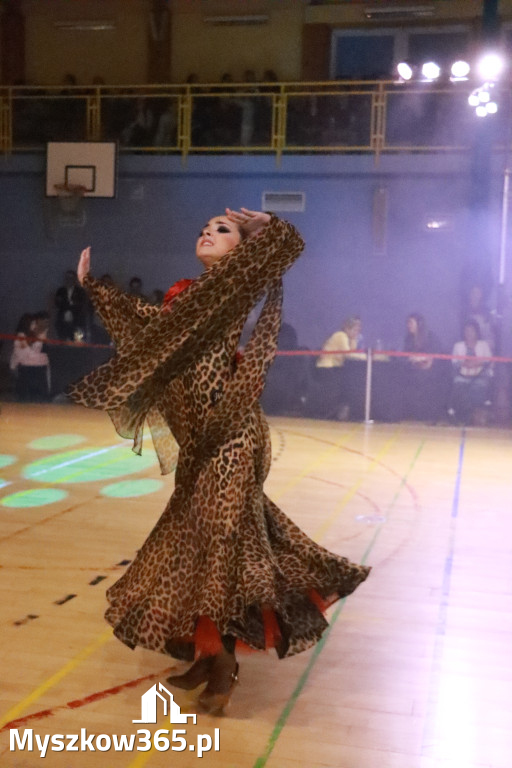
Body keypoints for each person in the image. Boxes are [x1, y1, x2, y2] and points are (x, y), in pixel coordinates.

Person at [68, 208, 370, 715]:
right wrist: (93, 287)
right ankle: (208, 655)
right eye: (206, 227)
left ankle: (226, 661)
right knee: (195, 543)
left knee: (222, 548)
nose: (208, 231)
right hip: (200, 444)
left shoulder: (234, 283)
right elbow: (145, 325)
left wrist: (267, 226)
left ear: (240, 250)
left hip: (231, 437)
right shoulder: (184, 298)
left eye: (222, 229)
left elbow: (285, 249)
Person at [401, 313, 447, 422]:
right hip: (413, 370)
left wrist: (420, 360)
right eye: (408, 323)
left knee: (424, 379)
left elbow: (432, 359)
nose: (408, 325)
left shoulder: (430, 337)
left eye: (411, 322)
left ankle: (428, 415)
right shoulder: (409, 339)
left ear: (419, 324)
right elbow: (407, 357)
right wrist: (416, 361)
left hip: (432, 372)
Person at [448, 320, 493, 425]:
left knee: (479, 387)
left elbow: (489, 360)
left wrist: (477, 363)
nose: (469, 333)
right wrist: (464, 363)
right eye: (466, 330)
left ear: (477, 332)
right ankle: (460, 416)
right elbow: (454, 362)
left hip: (480, 375)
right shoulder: (458, 346)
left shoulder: (483, 345)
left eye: (471, 331)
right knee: (458, 385)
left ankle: (477, 416)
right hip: (462, 375)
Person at [10, 312, 51, 402]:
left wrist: (41, 339)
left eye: (35, 323)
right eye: (32, 323)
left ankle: (41, 396)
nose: (35, 325)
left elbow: (42, 354)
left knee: (42, 367)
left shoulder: (34, 335)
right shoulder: (20, 336)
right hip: (22, 366)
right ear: (26, 324)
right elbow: (27, 354)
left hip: (35, 366)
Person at [54, 269, 88, 341]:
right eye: (67, 278)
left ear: (75, 279)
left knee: (78, 342)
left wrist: (69, 305)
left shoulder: (80, 291)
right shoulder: (61, 291)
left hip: (77, 322)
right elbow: (57, 303)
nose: (69, 280)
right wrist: (70, 304)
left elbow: (81, 304)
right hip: (63, 323)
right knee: (63, 342)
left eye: (71, 278)